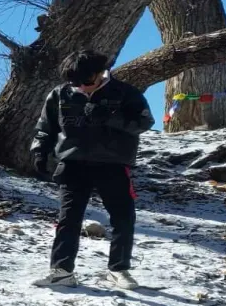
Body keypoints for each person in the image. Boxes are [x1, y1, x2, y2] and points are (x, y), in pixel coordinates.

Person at [30, 50, 155, 290]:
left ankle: (118, 270)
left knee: (123, 217)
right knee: (68, 219)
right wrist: (39, 151)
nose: (82, 88)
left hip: (114, 164)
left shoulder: (125, 93)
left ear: (100, 73)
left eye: (87, 82)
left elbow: (144, 122)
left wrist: (110, 117)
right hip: (72, 163)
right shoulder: (59, 94)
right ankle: (61, 271)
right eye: (75, 83)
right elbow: (45, 128)